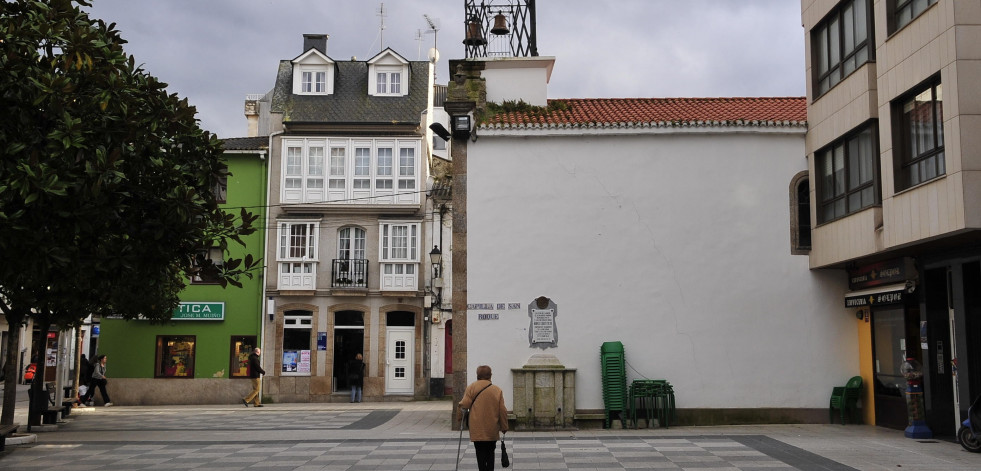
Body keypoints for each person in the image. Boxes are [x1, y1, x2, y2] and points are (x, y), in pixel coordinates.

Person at [459, 365, 509, 471]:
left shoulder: (471, 387)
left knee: (480, 453)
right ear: (490, 375)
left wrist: (459, 418)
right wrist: (504, 426)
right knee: (490, 453)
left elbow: (464, 406)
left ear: (477, 375)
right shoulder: (497, 390)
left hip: (477, 429)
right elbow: (502, 411)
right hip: (492, 429)